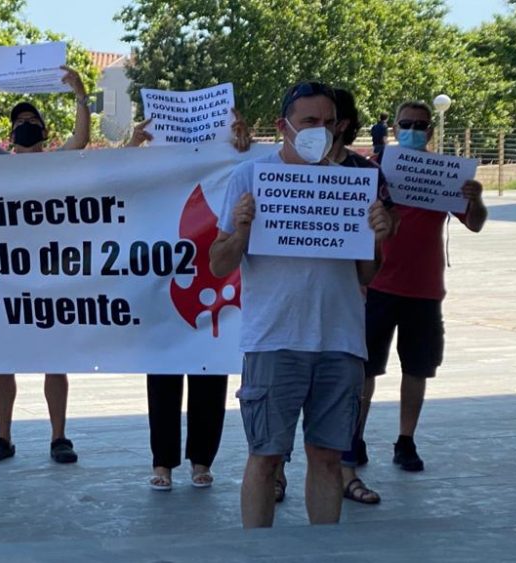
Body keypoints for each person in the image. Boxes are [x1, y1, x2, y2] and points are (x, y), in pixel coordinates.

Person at [209, 82, 392, 528]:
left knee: (328, 460)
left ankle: (323, 554)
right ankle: (258, 554)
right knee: (265, 459)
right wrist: (241, 231)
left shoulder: (355, 181)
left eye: (329, 123)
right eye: (309, 122)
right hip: (274, 341)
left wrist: (378, 238)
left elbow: (366, 275)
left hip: (341, 341)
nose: (320, 132)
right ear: (283, 127)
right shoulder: (249, 178)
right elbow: (217, 264)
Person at [0, 64, 90, 463]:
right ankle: (3, 437)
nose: (27, 125)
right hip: (6, 276)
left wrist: (81, 95)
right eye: (20, 121)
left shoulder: (58, 163)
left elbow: (81, 138)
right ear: (11, 133)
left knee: (55, 359)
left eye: (33, 120)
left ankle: (59, 437)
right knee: (4, 359)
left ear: (44, 130)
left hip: (51, 275)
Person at [125, 113, 251, 491]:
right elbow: (118, 183)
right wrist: (133, 145)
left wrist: (242, 147)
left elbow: (250, 178)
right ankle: (162, 463)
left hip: (214, 279)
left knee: (209, 375)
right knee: (162, 376)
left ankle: (202, 460)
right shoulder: (151, 175)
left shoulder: (225, 169)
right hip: (162, 286)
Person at [359, 101, 486, 474]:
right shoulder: (372, 172)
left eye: (421, 124)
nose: (414, 129)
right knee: (364, 369)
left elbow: (475, 224)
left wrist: (475, 199)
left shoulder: (447, 176)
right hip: (377, 286)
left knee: (417, 369)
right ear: (395, 129)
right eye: (406, 123)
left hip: (425, 291)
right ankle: (355, 437)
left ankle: (405, 440)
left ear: (430, 131)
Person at [326, 89, 400, 505]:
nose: (320, 129)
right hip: (287, 312)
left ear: (343, 124)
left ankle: (346, 472)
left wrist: (381, 229)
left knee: (347, 395)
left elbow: (388, 221)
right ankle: (276, 475)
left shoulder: (365, 172)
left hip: (349, 307)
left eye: (329, 120)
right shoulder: (282, 170)